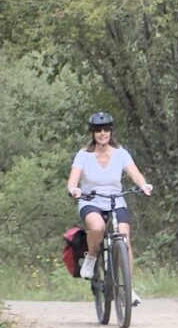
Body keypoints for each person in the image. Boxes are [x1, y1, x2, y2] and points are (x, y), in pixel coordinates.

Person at [65, 112, 154, 306]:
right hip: (91, 200)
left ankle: (127, 288)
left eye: (106, 129)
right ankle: (91, 256)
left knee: (124, 238)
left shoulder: (120, 153)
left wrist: (143, 185)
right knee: (97, 227)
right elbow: (73, 179)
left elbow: (135, 173)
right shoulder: (84, 155)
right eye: (98, 130)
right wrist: (74, 189)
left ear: (111, 131)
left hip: (115, 200)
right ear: (93, 133)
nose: (102, 133)